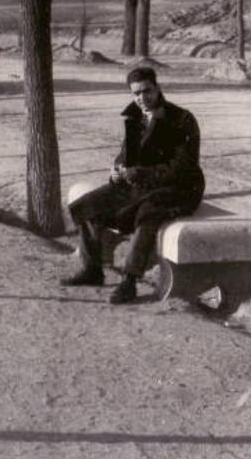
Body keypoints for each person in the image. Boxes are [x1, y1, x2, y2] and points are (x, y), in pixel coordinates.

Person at [61, 65, 204, 304]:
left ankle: (129, 282)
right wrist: (116, 170)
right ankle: (93, 269)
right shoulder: (134, 116)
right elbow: (126, 154)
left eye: (147, 91)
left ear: (158, 88)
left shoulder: (182, 119)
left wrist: (139, 173)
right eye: (136, 93)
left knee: (147, 213)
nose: (142, 98)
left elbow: (183, 167)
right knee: (88, 205)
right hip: (141, 183)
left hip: (180, 188)